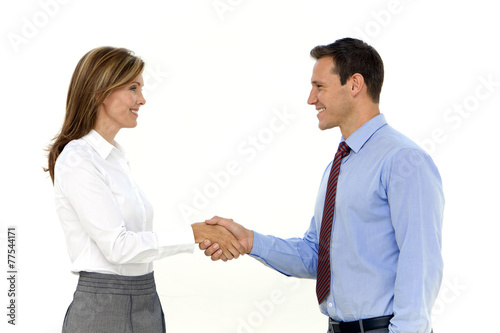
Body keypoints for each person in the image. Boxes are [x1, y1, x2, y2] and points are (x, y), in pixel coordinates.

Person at [201, 38, 444, 333]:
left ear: (355, 85)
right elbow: (317, 256)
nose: (310, 99)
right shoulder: (339, 164)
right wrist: (249, 241)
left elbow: (421, 263)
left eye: (320, 87)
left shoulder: (404, 161)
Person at [45, 46, 245, 333]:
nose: (142, 99)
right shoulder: (78, 159)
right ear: (101, 92)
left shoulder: (115, 158)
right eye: (133, 88)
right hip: (104, 310)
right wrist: (195, 233)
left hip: (145, 300)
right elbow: (117, 247)